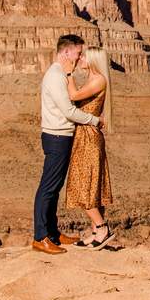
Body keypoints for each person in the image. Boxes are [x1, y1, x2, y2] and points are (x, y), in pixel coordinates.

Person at [32, 34, 103, 254]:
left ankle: (53, 233)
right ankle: (40, 237)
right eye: (78, 53)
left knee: (54, 188)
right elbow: (68, 111)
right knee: (48, 188)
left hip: (61, 136)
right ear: (66, 52)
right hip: (57, 137)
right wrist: (94, 120)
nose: (80, 56)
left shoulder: (61, 74)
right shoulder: (55, 76)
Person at [64, 47, 116, 247]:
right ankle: (95, 232)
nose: (81, 58)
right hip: (84, 135)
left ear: (94, 59)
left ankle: (103, 228)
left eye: (84, 56)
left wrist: (67, 73)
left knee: (83, 187)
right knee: (92, 187)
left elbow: (74, 97)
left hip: (88, 138)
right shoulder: (92, 78)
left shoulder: (99, 79)